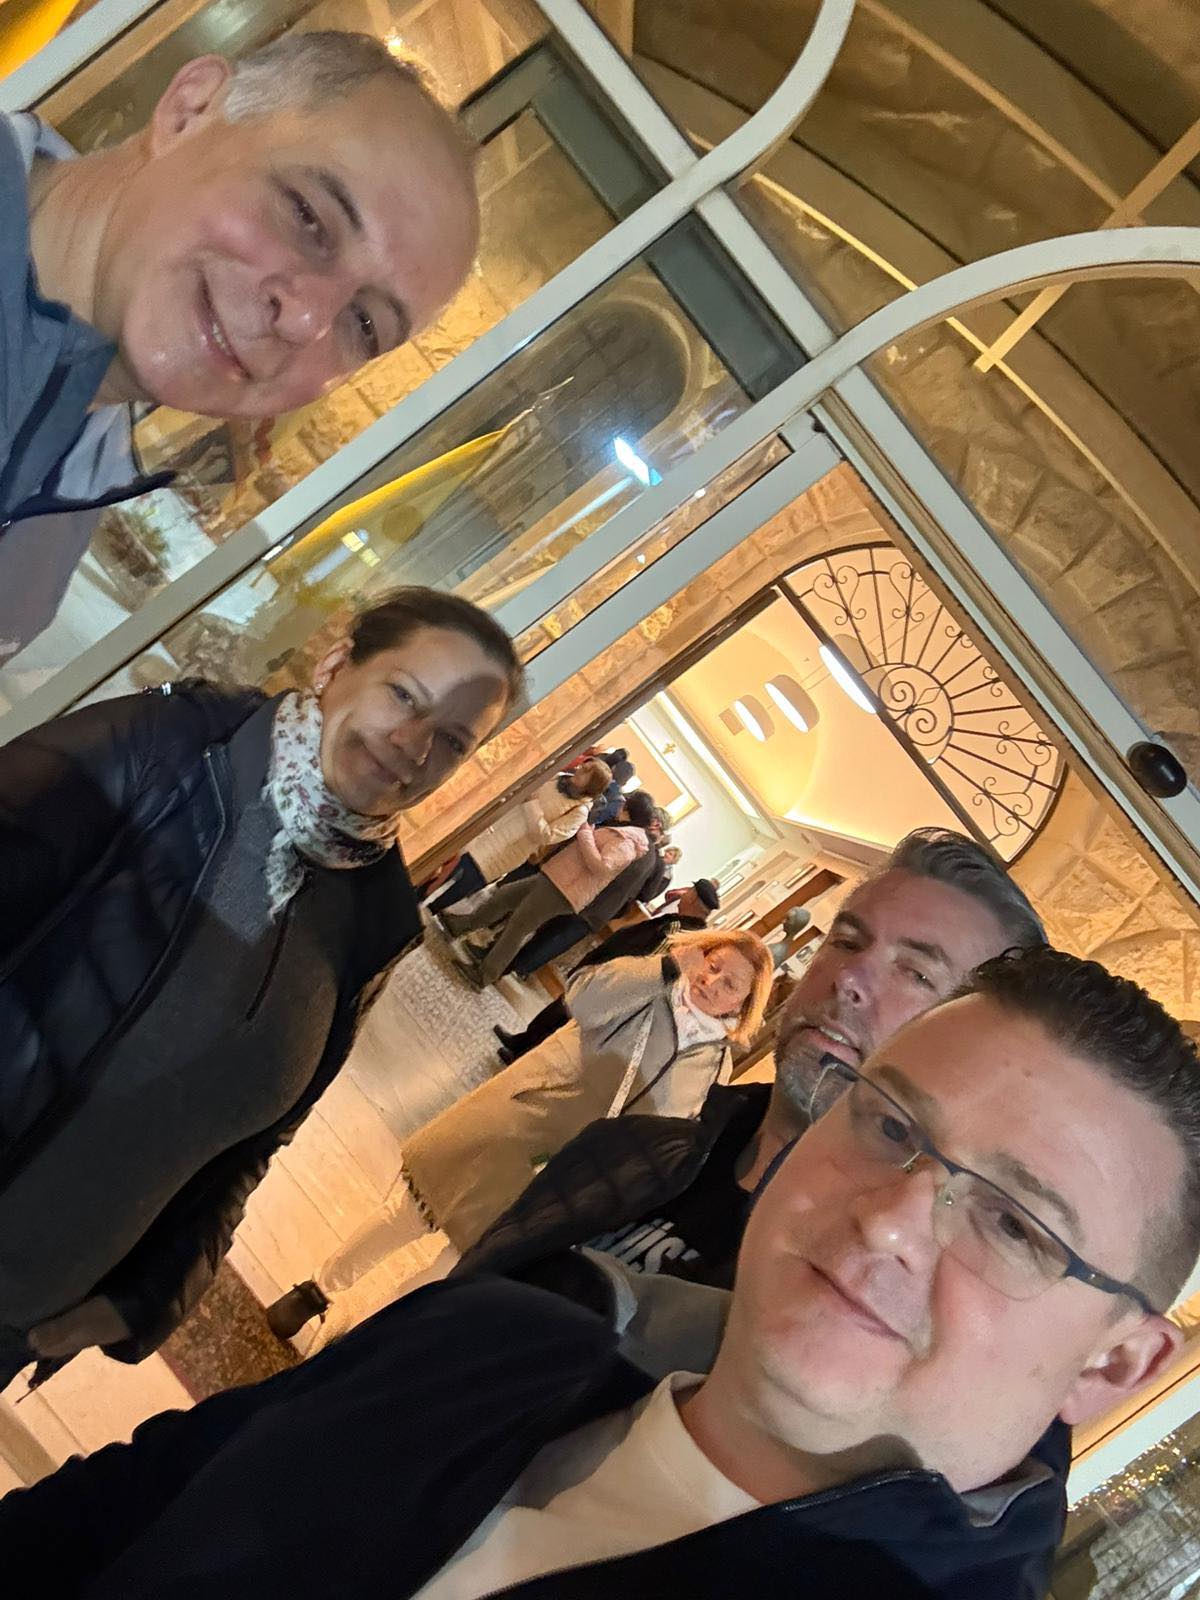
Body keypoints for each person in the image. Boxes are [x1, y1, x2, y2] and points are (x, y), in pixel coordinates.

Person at [6, 947, 1196, 1600]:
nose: (892, 1221)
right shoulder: (491, 1338)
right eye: (890, 1125)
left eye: (1015, 1226)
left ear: (1114, 1362)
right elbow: (114, 1512)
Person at [0, 586, 520, 1390]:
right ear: (336, 664)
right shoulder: (172, 750)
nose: (413, 746)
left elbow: (258, 1141)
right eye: (403, 695)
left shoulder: (376, 920)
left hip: (21, 1314)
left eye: (451, 740)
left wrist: (147, 1296)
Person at [0, 30, 479, 662]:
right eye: (307, 216)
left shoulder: (60, 521)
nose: (305, 319)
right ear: (189, 110)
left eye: (364, 325)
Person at [457, 828, 1046, 1291]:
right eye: (846, 941)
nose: (849, 978)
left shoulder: (848, 1295)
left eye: (916, 973)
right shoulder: (640, 1147)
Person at [266, 928, 772, 1341]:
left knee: (457, 1263)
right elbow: (584, 998)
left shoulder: (714, 1065)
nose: (711, 982)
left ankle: (365, 1340)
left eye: (730, 984)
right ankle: (316, 1292)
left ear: (742, 1005)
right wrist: (664, 968)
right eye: (712, 964)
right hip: (519, 1120)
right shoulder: (646, 985)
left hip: (562, 1174)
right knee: (412, 1213)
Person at [492, 877, 721, 1065]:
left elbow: (651, 962)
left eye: (689, 892)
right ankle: (521, 1042)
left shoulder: (683, 932)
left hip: (612, 981)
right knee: (560, 1007)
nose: (684, 894)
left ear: (694, 899)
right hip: (606, 974)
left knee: (563, 1017)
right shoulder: (683, 924)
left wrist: (613, 976)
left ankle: (522, 1055)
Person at [442, 791, 658, 988]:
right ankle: (461, 925)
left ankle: (484, 975)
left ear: (630, 810)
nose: (620, 805)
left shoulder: (628, 843)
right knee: (505, 897)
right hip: (557, 877)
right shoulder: (625, 834)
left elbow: (602, 867)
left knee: (518, 926)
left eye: (625, 803)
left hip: (564, 889)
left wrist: (585, 833)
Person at [505, 803, 672, 979]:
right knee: (552, 939)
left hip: (585, 894)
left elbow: (603, 865)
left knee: (539, 928)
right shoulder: (652, 858)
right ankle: (518, 969)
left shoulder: (634, 842)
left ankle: (509, 965)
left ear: (655, 824)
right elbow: (644, 894)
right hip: (598, 907)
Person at [428, 759, 611, 913]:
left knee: (458, 887)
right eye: (584, 766)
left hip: (504, 851)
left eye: (587, 771)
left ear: (592, 784)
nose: (580, 768)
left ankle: (424, 916)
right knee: (439, 871)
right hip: (489, 831)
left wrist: (532, 803)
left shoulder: (579, 811)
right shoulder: (560, 778)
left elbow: (546, 836)